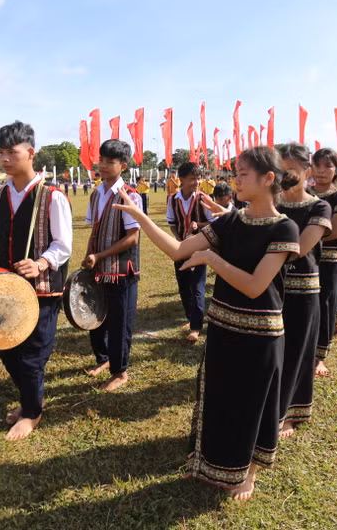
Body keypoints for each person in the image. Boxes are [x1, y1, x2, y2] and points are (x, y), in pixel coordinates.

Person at [113, 145, 300, 500]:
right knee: (220, 398)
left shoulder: (285, 228)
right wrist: (140, 216)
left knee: (254, 404)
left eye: (243, 175)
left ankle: (251, 474)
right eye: (236, 173)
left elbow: (255, 286)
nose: (234, 181)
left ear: (268, 179)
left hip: (261, 334)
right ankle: (213, 463)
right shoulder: (232, 220)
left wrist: (213, 259)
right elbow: (178, 250)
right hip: (224, 327)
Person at [0, 121, 72, 440]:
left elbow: (63, 245)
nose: (5, 159)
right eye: (1, 153)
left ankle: (32, 412)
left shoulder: (52, 196)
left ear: (30, 153)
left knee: (33, 351)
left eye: (12, 152)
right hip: (7, 284)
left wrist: (40, 263)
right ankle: (30, 399)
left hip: (43, 289)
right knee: (4, 345)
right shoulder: (0, 193)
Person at [275, 143, 331, 438]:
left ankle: (289, 413)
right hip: (271, 288)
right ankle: (271, 406)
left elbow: (300, 249)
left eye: (291, 170)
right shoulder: (271, 204)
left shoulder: (319, 207)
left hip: (304, 288)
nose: (284, 176)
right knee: (273, 352)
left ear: (306, 171)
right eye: (280, 169)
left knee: (297, 350)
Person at [82, 140, 142, 392]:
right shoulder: (96, 193)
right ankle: (104, 359)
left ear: (123, 166)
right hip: (99, 268)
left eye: (110, 162)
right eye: (101, 160)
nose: (103, 165)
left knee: (120, 322)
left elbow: (133, 237)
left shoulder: (130, 195)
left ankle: (120, 371)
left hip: (121, 270)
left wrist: (101, 255)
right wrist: (89, 256)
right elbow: (94, 230)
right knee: (96, 317)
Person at [309, 148, 337, 375]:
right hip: (304, 257)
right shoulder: (304, 192)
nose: (322, 171)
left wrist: (304, 238)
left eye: (328, 166)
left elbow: (336, 230)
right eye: (317, 165)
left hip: (329, 257)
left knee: (324, 303)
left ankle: (319, 356)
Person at [166, 162, 216, 342]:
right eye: (192, 178)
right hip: (180, 249)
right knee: (183, 286)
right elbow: (172, 223)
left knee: (197, 287)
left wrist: (198, 225)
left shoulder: (204, 199)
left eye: (198, 178)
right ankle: (190, 317)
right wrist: (179, 241)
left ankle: (196, 327)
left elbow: (213, 223)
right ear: (181, 180)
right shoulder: (172, 200)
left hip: (199, 249)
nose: (197, 182)